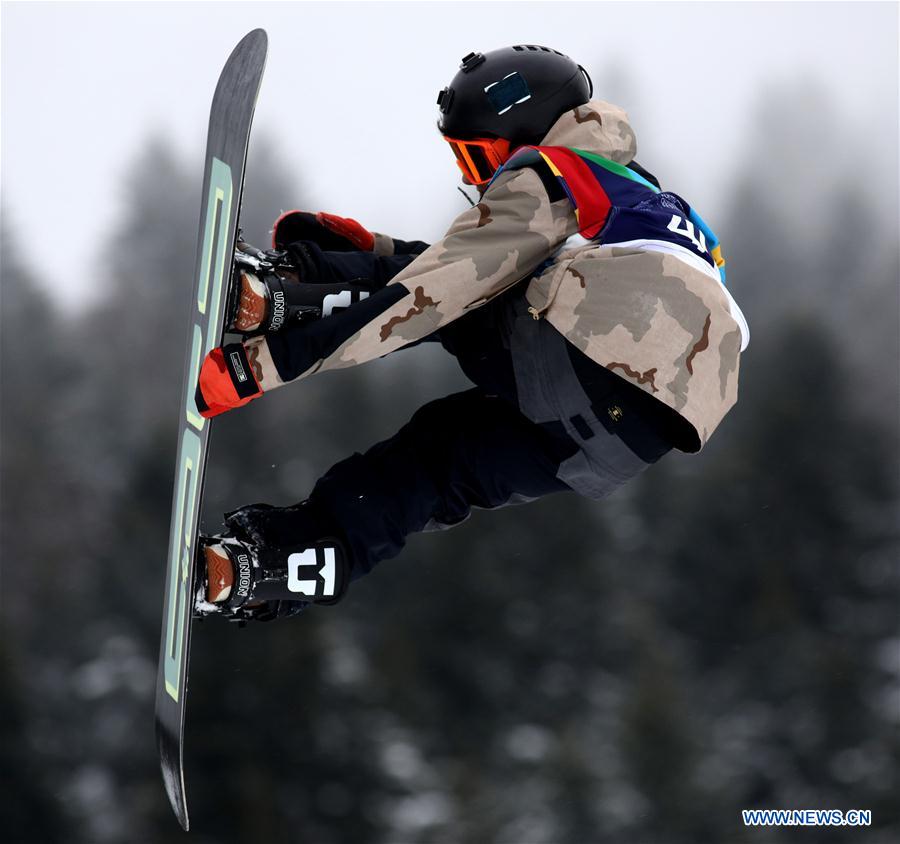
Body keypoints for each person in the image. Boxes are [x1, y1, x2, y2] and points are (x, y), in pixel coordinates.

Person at [194, 45, 749, 623]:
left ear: (528, 130)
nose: (474, 179)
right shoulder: (648, 203)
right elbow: (517, 274)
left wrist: (266, 366)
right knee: (436, 466)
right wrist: (379, 251)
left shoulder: (556, 168)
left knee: (445, 298)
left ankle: (270, 294)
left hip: (588, 351)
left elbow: (445, 288)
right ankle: (254, 569)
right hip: (628, 437)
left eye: (479, 158)